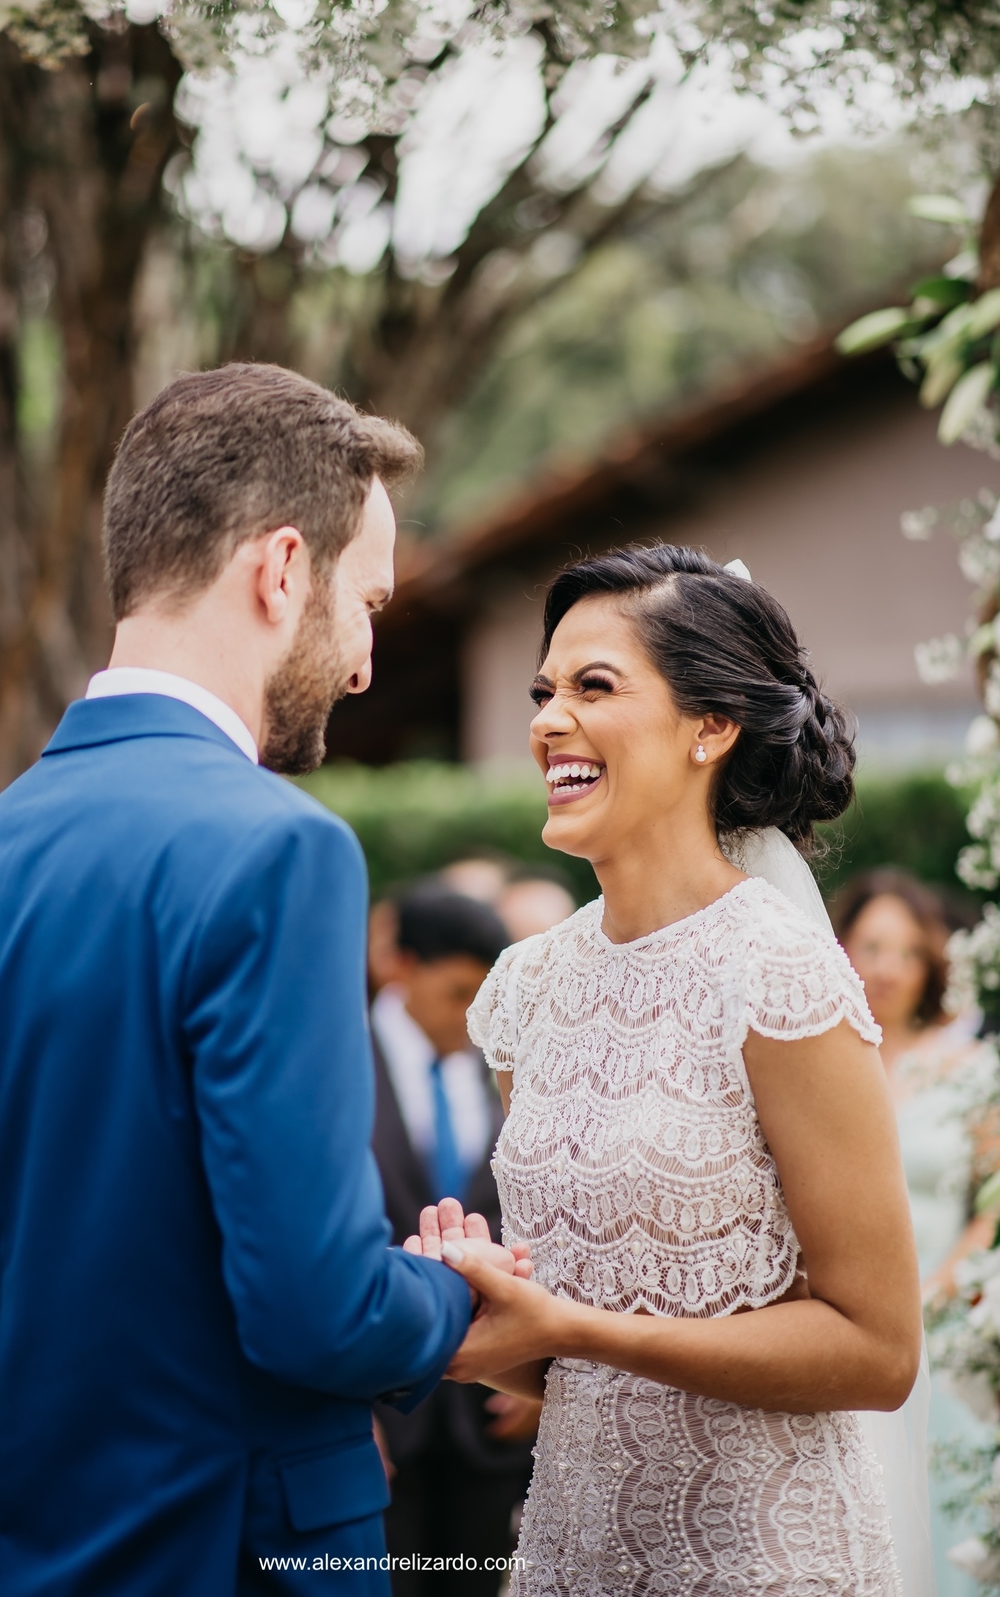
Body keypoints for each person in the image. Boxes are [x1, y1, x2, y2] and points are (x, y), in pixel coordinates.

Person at [0, 366, 513, 1597]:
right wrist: (447, 1292)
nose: (368, 660)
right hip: (234, 1556)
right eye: (365, 601)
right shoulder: (279, 846)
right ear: (283, 570)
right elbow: (318, 1308)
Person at [407, 545, 924, 1597]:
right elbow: (571, 1369)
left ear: (711, 726)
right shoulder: (526, 987)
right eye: (544, 690)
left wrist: (580, 1328)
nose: (550, 718)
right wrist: (481, 1312)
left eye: (596, 686)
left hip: (761, 1563)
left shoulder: (777, 974)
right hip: (572, 1553)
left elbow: (879, 1350)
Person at [838, 870, 1000, 1597]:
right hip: (847, 1319)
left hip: (943, 1309)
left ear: (929, 964)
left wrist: (943, 1283)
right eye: (871, 946)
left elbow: (993, 1201)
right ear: (841, 947)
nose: (886, 968)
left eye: (905, 952)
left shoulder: (970, 1069)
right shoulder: (825, 1062)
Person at [371, 884, 533, 1593]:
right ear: (402, 965)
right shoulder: (332, 1058)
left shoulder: (505, 1067)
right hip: (374, 1418)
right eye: (456, 991)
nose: (471, 1015)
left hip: (488, 1427)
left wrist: (540, 1377)